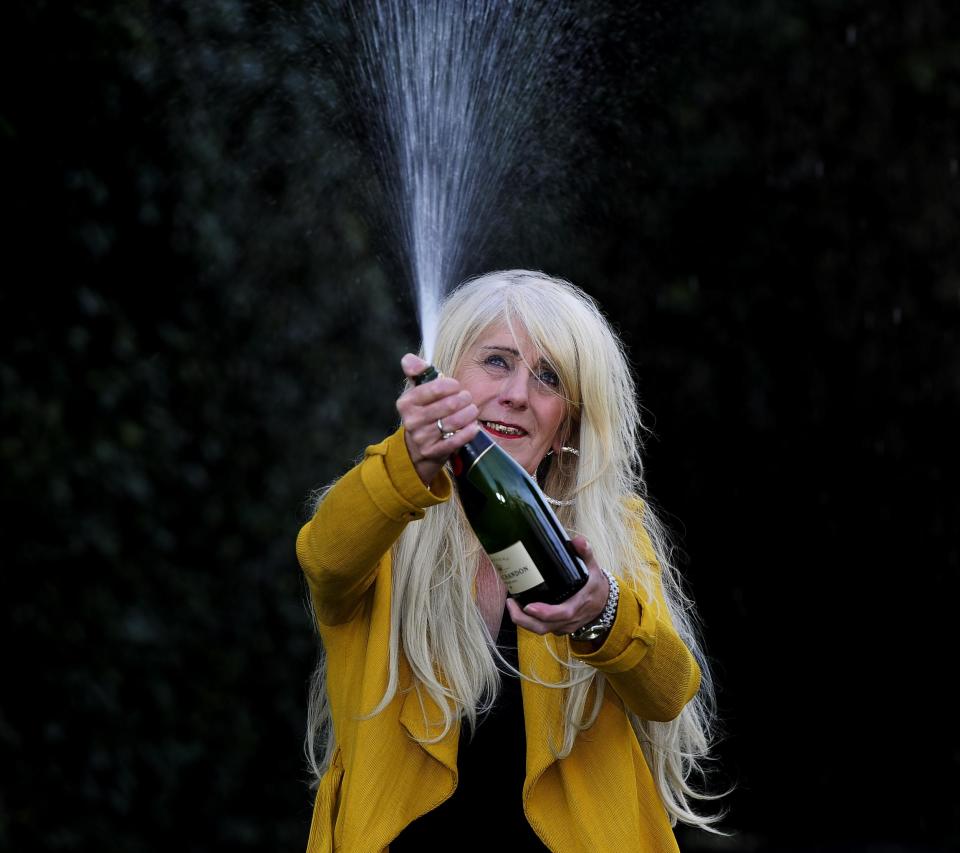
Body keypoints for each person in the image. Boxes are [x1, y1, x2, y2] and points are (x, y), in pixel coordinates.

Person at [296, 270, 721, 852]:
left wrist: (603, 613)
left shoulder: (614, 533)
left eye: (547, 377)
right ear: (445, 378)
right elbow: (325, 559)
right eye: (496, 361)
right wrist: (409, 464)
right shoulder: (384, 521)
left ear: (565, 422)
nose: (518, 392)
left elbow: (671, 690)